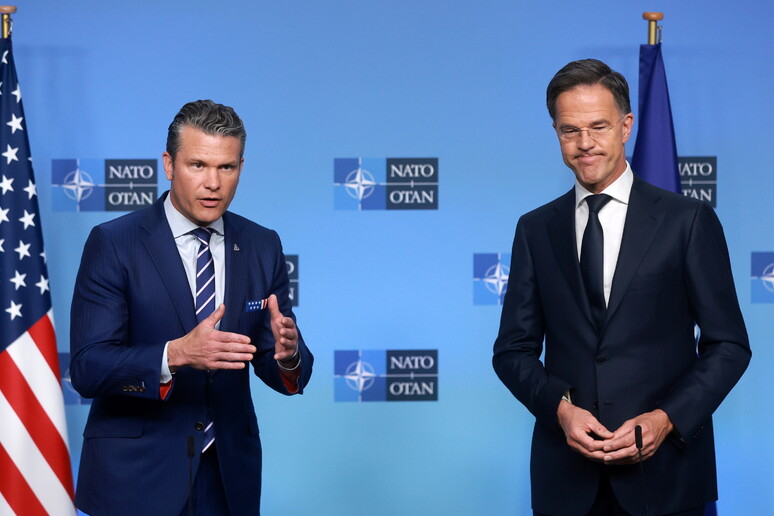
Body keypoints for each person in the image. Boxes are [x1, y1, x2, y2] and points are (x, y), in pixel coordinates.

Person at [492, 59, 750, 516]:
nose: (585, 143)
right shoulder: (535, 229)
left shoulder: (687, 221)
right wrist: (560, 410)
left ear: (626, 126)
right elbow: (513, 350)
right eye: (570, 130)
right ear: (555, 132)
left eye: (599, 126)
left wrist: (666, 419)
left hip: (667, 477)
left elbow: (728, 345)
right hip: (566, 481)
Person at [70, 99, 313, 516]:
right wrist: (176, 354)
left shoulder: (262, 245)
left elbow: (284, 371)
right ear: (169, 165)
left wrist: (287, 354)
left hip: (228, 478)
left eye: (226, 167)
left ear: (241, 167)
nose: (213, 183)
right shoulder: (114, 243)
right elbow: (88, 368)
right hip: (136, 479)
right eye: (198, 165)